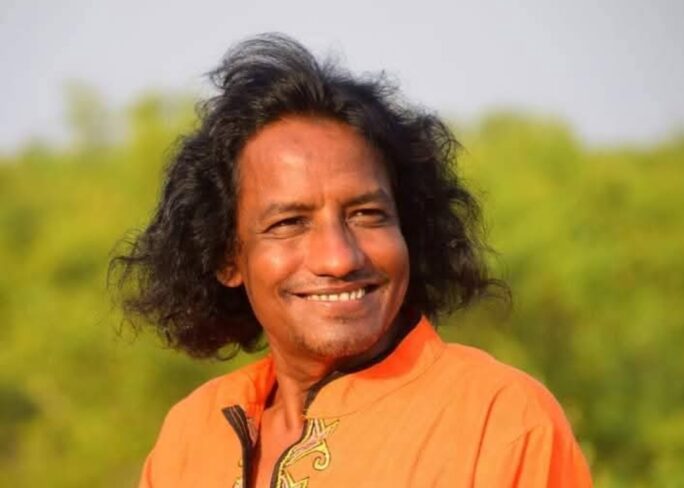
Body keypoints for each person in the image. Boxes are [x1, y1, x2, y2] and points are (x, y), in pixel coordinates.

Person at [111, 33, 592, 487]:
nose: (339, 258)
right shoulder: (191, 436)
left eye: (367, 215)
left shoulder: (500, 421)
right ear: (226, 257)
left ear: (408, 227)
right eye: (289, 223)